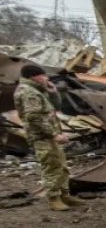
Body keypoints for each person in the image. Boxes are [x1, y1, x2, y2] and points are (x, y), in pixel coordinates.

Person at [15, 64, 81, 211]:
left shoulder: (37, 90)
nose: (46, 78)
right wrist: (54, 135)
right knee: (51, 167)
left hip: (49, 135)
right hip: (42, 136)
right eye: (43, 75)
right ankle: (54, 198)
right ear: (34, 76)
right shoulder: (28, 93)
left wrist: (53, 92)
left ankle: (65, 195)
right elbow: (34, 117)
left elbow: (55, 107)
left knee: (61, 166)